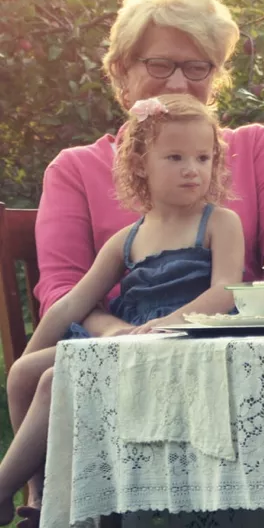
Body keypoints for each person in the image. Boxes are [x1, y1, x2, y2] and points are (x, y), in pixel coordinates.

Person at [27, 0, 264, 519]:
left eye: (198, 66)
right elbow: (63, 291)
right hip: (120, 376)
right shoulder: (74, 169)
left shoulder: (253, 148)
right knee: (36, 375)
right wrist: (121, 334)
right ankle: (39, 494)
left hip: (237, 363)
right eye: (160, 65)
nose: (180, 83)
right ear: (122, 72)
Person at [1, 95, 244, 526]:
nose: (193, 168)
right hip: (129, 346)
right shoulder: (128, 239)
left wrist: (167, 323)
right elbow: (72, 304)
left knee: (56, 380)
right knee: (24, 375)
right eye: (175, 157)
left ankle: (3, 489)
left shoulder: (219, 222)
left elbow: (225, 290)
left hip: (182, 343)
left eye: (204, 157)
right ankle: (37, 499)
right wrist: (27, 357)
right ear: (140, 165)